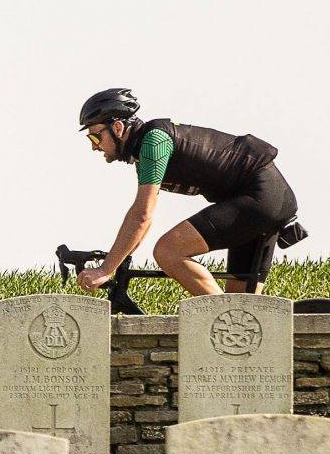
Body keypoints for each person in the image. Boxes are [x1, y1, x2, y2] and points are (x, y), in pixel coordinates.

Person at [73, 88, 302, 297]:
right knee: (241, 305)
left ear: (118, 128)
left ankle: (221, 322)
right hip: (263, 198)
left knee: (168, 251)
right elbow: (143, 223)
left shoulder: (154, 143)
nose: (94, 146)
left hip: (261, 195)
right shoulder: (144, 152)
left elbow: (142, 215)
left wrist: (106, 268)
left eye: (95, 136)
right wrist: (117, 259)